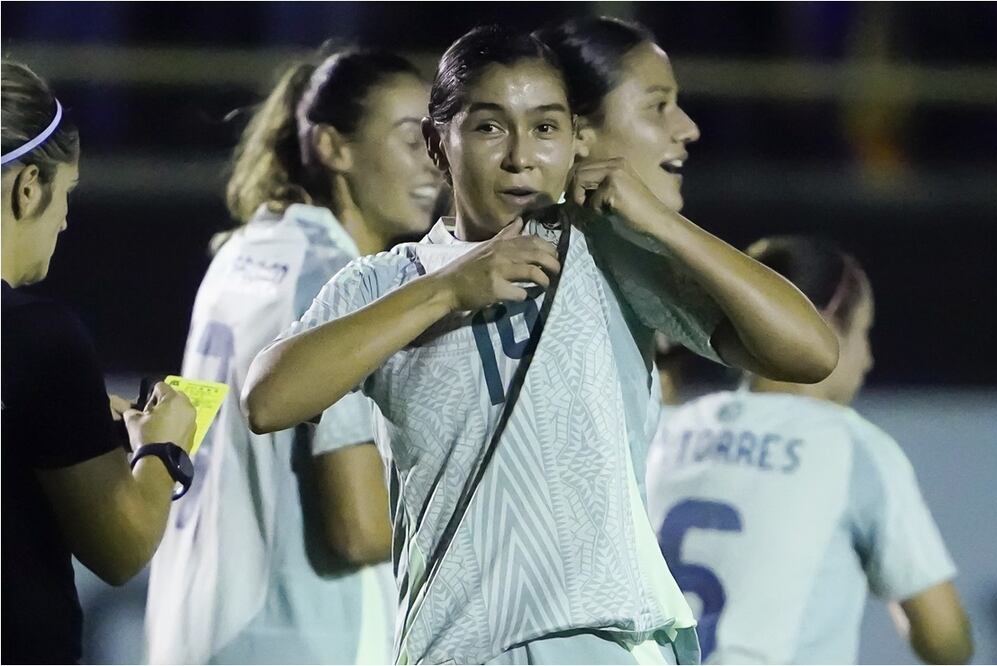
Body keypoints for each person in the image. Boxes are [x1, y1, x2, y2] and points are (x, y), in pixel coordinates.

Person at [243, 25, 835, 664]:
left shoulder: (604, 249)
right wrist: (447, 290)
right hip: (459, 650)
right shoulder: (390, 281)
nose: (521, 156)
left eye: (546, 128)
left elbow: (809, 352)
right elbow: (268, 400)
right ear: (436, 145)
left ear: (575, 141)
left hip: (606, 641)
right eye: (490, 128)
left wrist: (660, 220)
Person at [143, 47, 440, 664]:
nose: (435, 163)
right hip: (300, 639)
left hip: (193, 627)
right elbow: (357, 528)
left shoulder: (244, 251)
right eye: (413, 139)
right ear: (333, 147)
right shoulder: (337, 282)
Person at [646, 236, 973, 664]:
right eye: (863, 332)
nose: (869, 358)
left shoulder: (666, 429)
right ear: (820, 325)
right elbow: (946, 644)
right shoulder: (852, 447)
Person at [1, 59, 198, 664]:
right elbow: (122, 549)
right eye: (67, 193)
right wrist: (164, 446)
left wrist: (67, 423)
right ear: (27, 186)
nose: (64, 219)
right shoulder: (41, 339)